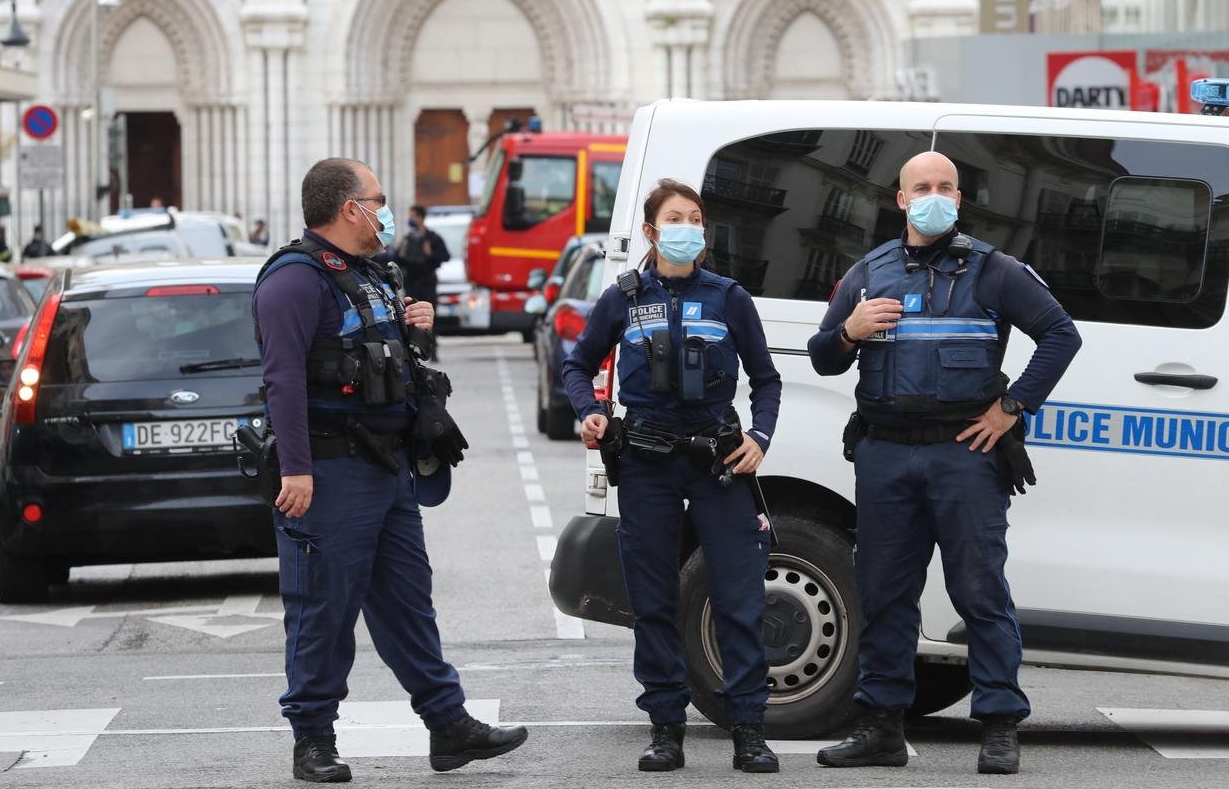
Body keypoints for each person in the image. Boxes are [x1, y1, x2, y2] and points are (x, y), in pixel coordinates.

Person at [807, 151, 1082, 776]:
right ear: (901, 200)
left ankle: (999, 724)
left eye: (946, 187)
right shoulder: (866, 274)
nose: (935, 196)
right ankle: (880, 727)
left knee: (979, 590)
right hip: (885, 454)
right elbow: (824, 357)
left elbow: (1061, 335)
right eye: (922, 187)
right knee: (884, 593)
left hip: (964, 455)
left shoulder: (993, 271)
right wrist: (849, 329)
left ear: (959, 198)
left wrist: (1011, 408)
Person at [253, 158, 526, 782]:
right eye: (378, 198)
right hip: (327, 471)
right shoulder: (294, 281)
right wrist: (296, 468)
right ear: (351, 208)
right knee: (322, 609)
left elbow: (381, 364)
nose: (386, 208)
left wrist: (414, 330)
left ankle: (448, 726)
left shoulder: (369, 275)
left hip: (386, 468)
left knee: (408, 604)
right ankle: (314, 740)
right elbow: (283, 381)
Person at [560, 179, 782, 775]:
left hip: (718, 463)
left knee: (739, 597)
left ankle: (748, 730)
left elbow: (767, 379)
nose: (688, 227)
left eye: (696, 218)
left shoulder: (729, 297)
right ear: (654, 232)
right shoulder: (624, 298)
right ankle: (666, 728)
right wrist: (590, 410)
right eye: (675, 218)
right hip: (647, 465)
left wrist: (759, 438)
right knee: (653, 601)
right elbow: (578, 365)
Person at [394, 206, 448, 360]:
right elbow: (399, 259)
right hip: (412, 282)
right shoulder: (408, 238)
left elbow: (444, 256)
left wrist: (430, 253)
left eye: (413, 216)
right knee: (411, 317)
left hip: (427, 283)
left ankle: (432, 348)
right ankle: (413, 349)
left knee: (429, 317)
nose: (410, 219)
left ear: (420, 217)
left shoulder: (432, 238)